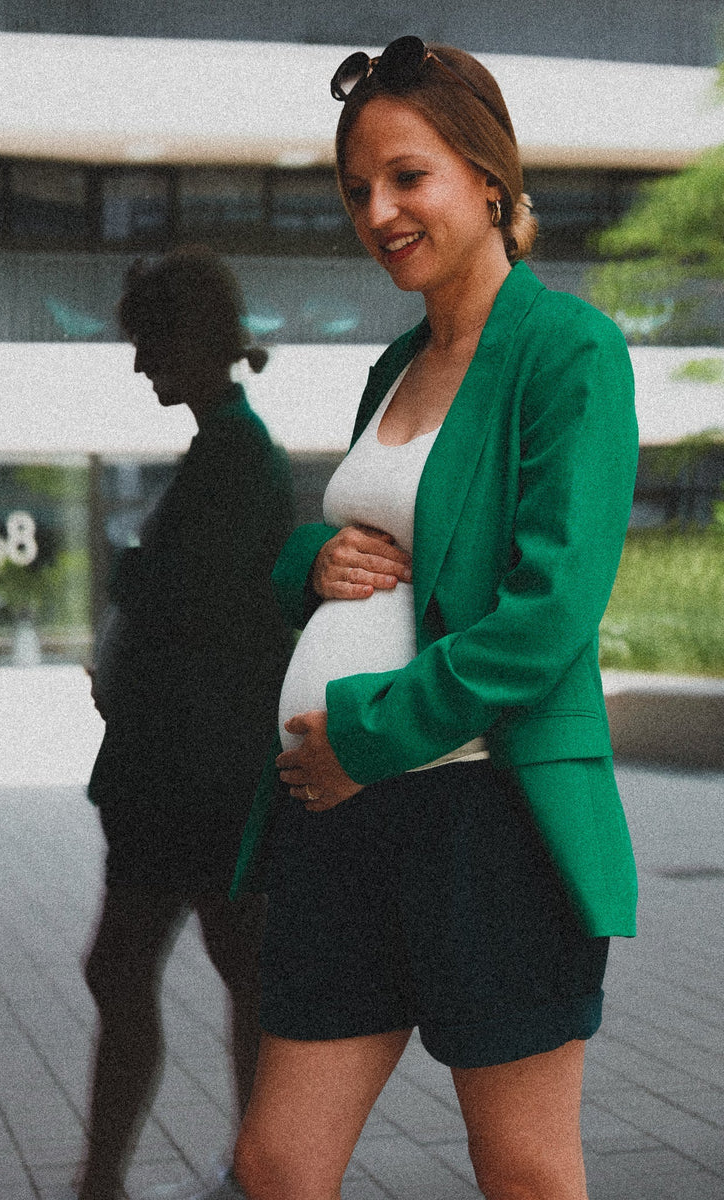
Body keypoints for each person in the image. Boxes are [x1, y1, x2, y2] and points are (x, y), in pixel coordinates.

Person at [231, 37, 639, 1200]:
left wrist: (365, 736)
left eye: (407, 177)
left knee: (520, 1169)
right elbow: (368, 544)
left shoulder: (566, 351)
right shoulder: (398, 362)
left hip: (486, 820)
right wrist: (312, 561)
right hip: (339, 823)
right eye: (356, 188)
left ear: (487, 178)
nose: (378, 212)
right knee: (277, 1163)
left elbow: (546, 614)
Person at [77, 247, 294, 1200]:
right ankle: (244, 1174)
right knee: (234, 968)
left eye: (150, 344)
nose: (138, 365)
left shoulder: (235, 456)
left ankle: (127, 1180)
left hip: (191, 776)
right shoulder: (227, 449)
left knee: (138, 966)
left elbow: (192, 617)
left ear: (197, 338)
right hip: (200, 771)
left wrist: (127, 648)